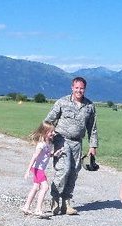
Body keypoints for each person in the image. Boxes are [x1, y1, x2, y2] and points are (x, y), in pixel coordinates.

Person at [44, 76, 98, 216]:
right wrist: (46, 138)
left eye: (82, 88)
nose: (79, 90)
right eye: (77, 88)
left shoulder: (89, 106)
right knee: (64, 169)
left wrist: (93, 146)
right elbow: (48, 120)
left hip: (77, 143)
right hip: (61, 140)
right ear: (72, 87)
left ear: (85, 89)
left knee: (73, 172)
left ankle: (66, 203)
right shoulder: (62, 102)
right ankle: (55, 199)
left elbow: (92, 128)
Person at [21, 121, 62, 217]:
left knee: (36, 187)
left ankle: (26, 207)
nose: (53, 133)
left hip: (39, 169)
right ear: (44, 132)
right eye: (50, 132)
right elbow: (34, 157)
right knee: (45, 187)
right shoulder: (41, 145)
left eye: (53, 131)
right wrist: (28, 170)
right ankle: (38, 209)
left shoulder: (48, 143)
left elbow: (46, 155)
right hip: (37, 169)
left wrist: (54, 154)